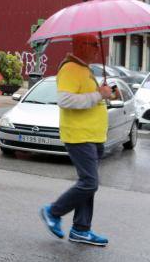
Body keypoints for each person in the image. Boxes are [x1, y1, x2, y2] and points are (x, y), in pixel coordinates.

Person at [40, 34, 115, 246]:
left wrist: (105, 94)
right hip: (79, 136)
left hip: (92, 135)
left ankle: (81, 229)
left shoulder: (84, 69)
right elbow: (65, 100)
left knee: (87, 184)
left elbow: (89, 98)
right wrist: (99, 95)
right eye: (94, 45)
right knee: (90, 183)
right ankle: (53, 211)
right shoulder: (71, 68)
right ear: (81, 46)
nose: (97, 49)